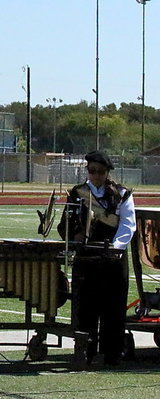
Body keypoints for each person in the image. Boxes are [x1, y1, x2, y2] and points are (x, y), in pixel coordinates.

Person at [60, 150, 135, 366]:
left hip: (113, 258)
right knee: (86, 308)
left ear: (107, 172)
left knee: (114, 309)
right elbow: (67, 223)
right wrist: (74, 235)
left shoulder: (122, 194)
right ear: (87, 171)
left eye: (100, 172)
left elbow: (128, 225)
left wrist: (115, 247)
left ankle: (113, 355)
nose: (96, 176)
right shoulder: (76, 193)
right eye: (92, 171)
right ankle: (86, 353)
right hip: (87, 258)